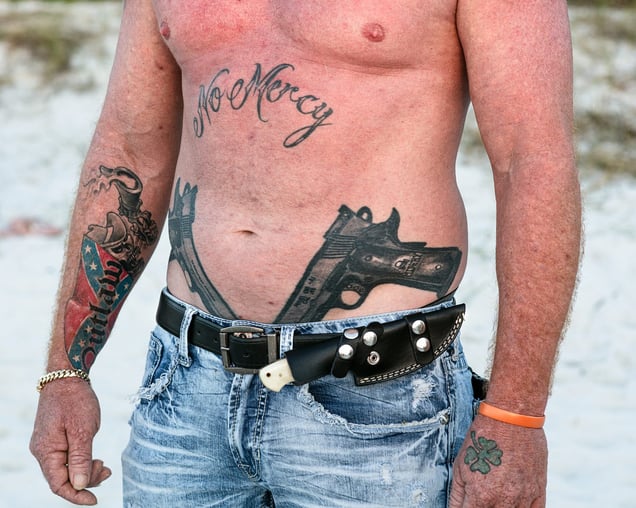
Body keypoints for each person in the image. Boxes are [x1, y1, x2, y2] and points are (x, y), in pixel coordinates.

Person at [30, 0, 581, 506]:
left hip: (378, 398)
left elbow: (532, 163)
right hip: (187, 383)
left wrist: (515, 417)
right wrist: (65, 371)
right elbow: (128, 152)